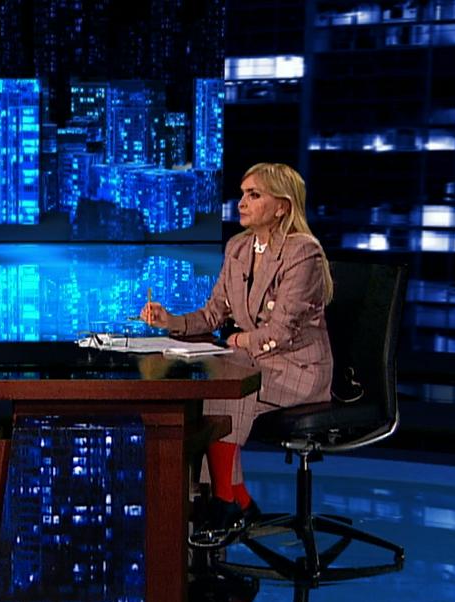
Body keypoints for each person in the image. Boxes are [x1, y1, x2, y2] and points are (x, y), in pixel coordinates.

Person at [142, 162, 334, 546]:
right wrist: (170, 321)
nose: (241, 203)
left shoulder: (303, 253)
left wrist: (238, 341)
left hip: (297, 369)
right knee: (219, 386)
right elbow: (213, 314)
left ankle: (226, 503)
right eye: (243, 193)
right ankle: (234, 501)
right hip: (253, 364)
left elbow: (280, 332)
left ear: (281, 206)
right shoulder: (239, 248)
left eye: (254, 195)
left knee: (228, 389)